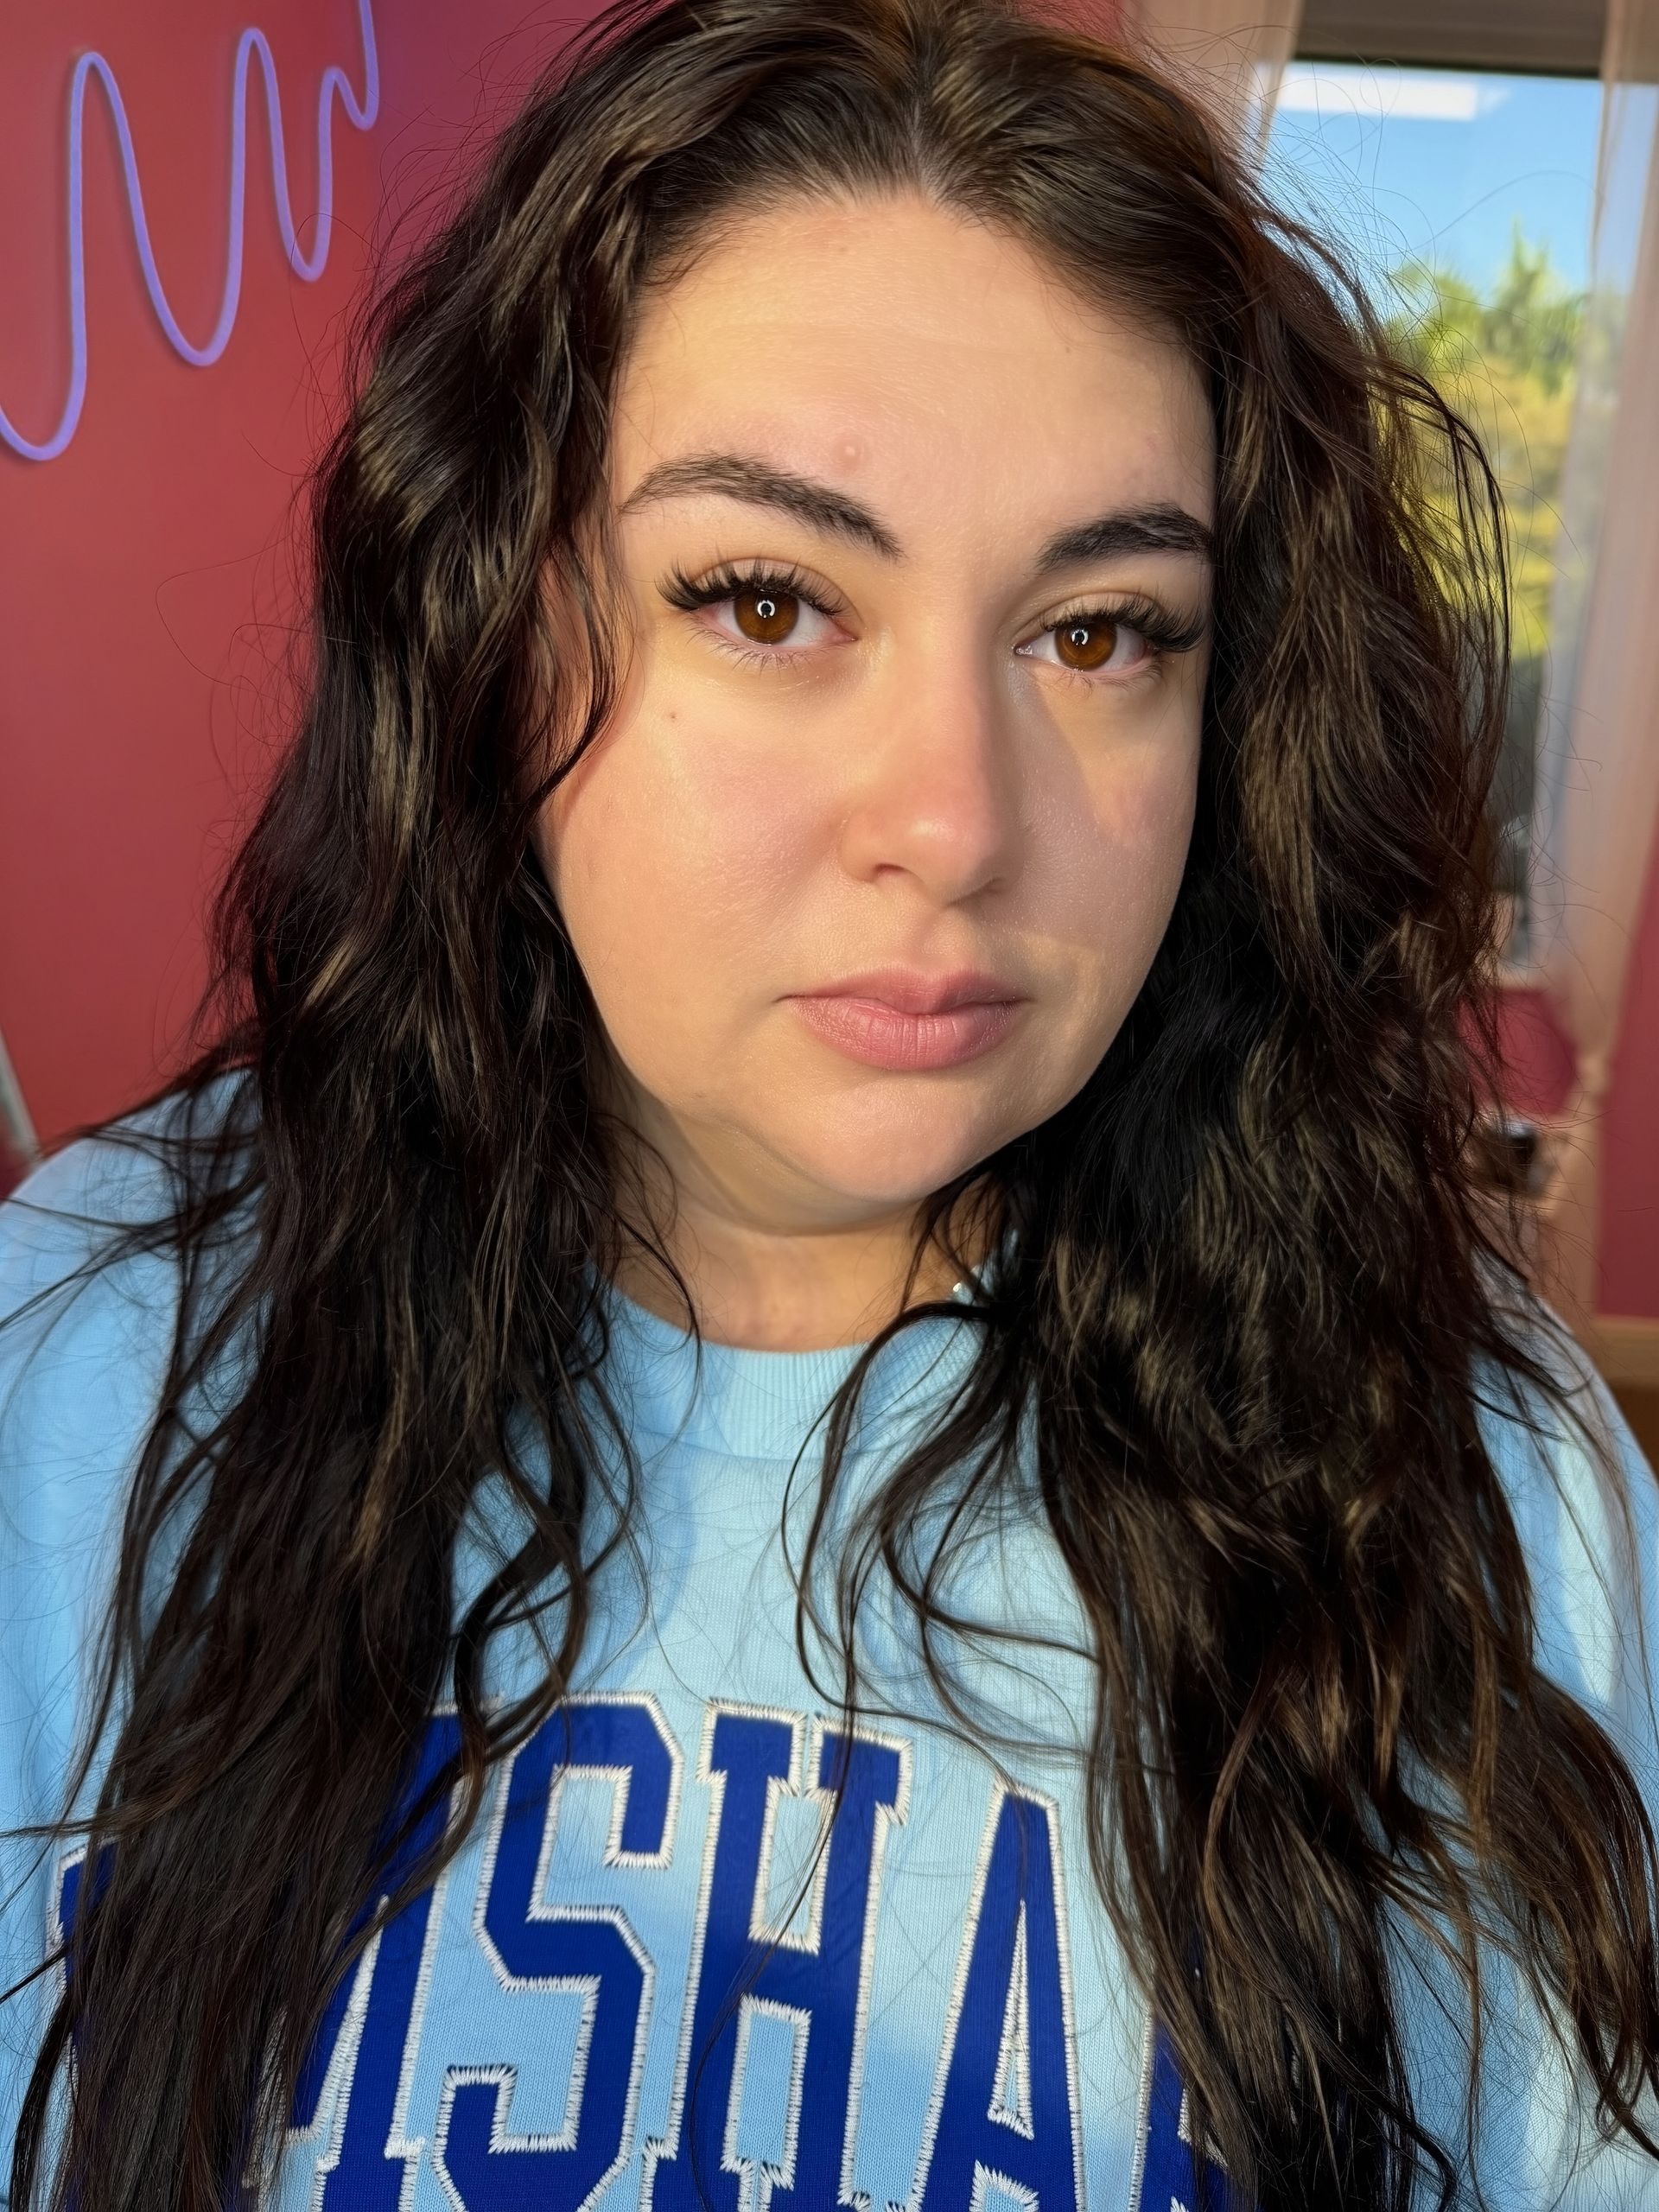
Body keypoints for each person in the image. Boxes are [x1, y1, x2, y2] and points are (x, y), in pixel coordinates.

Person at [4, 0, 1658, 2205]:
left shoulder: (1479, 1490)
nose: (957, 821)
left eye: (1101, 631)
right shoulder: (90, 1367)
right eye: (768, 598)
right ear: (499, 633)